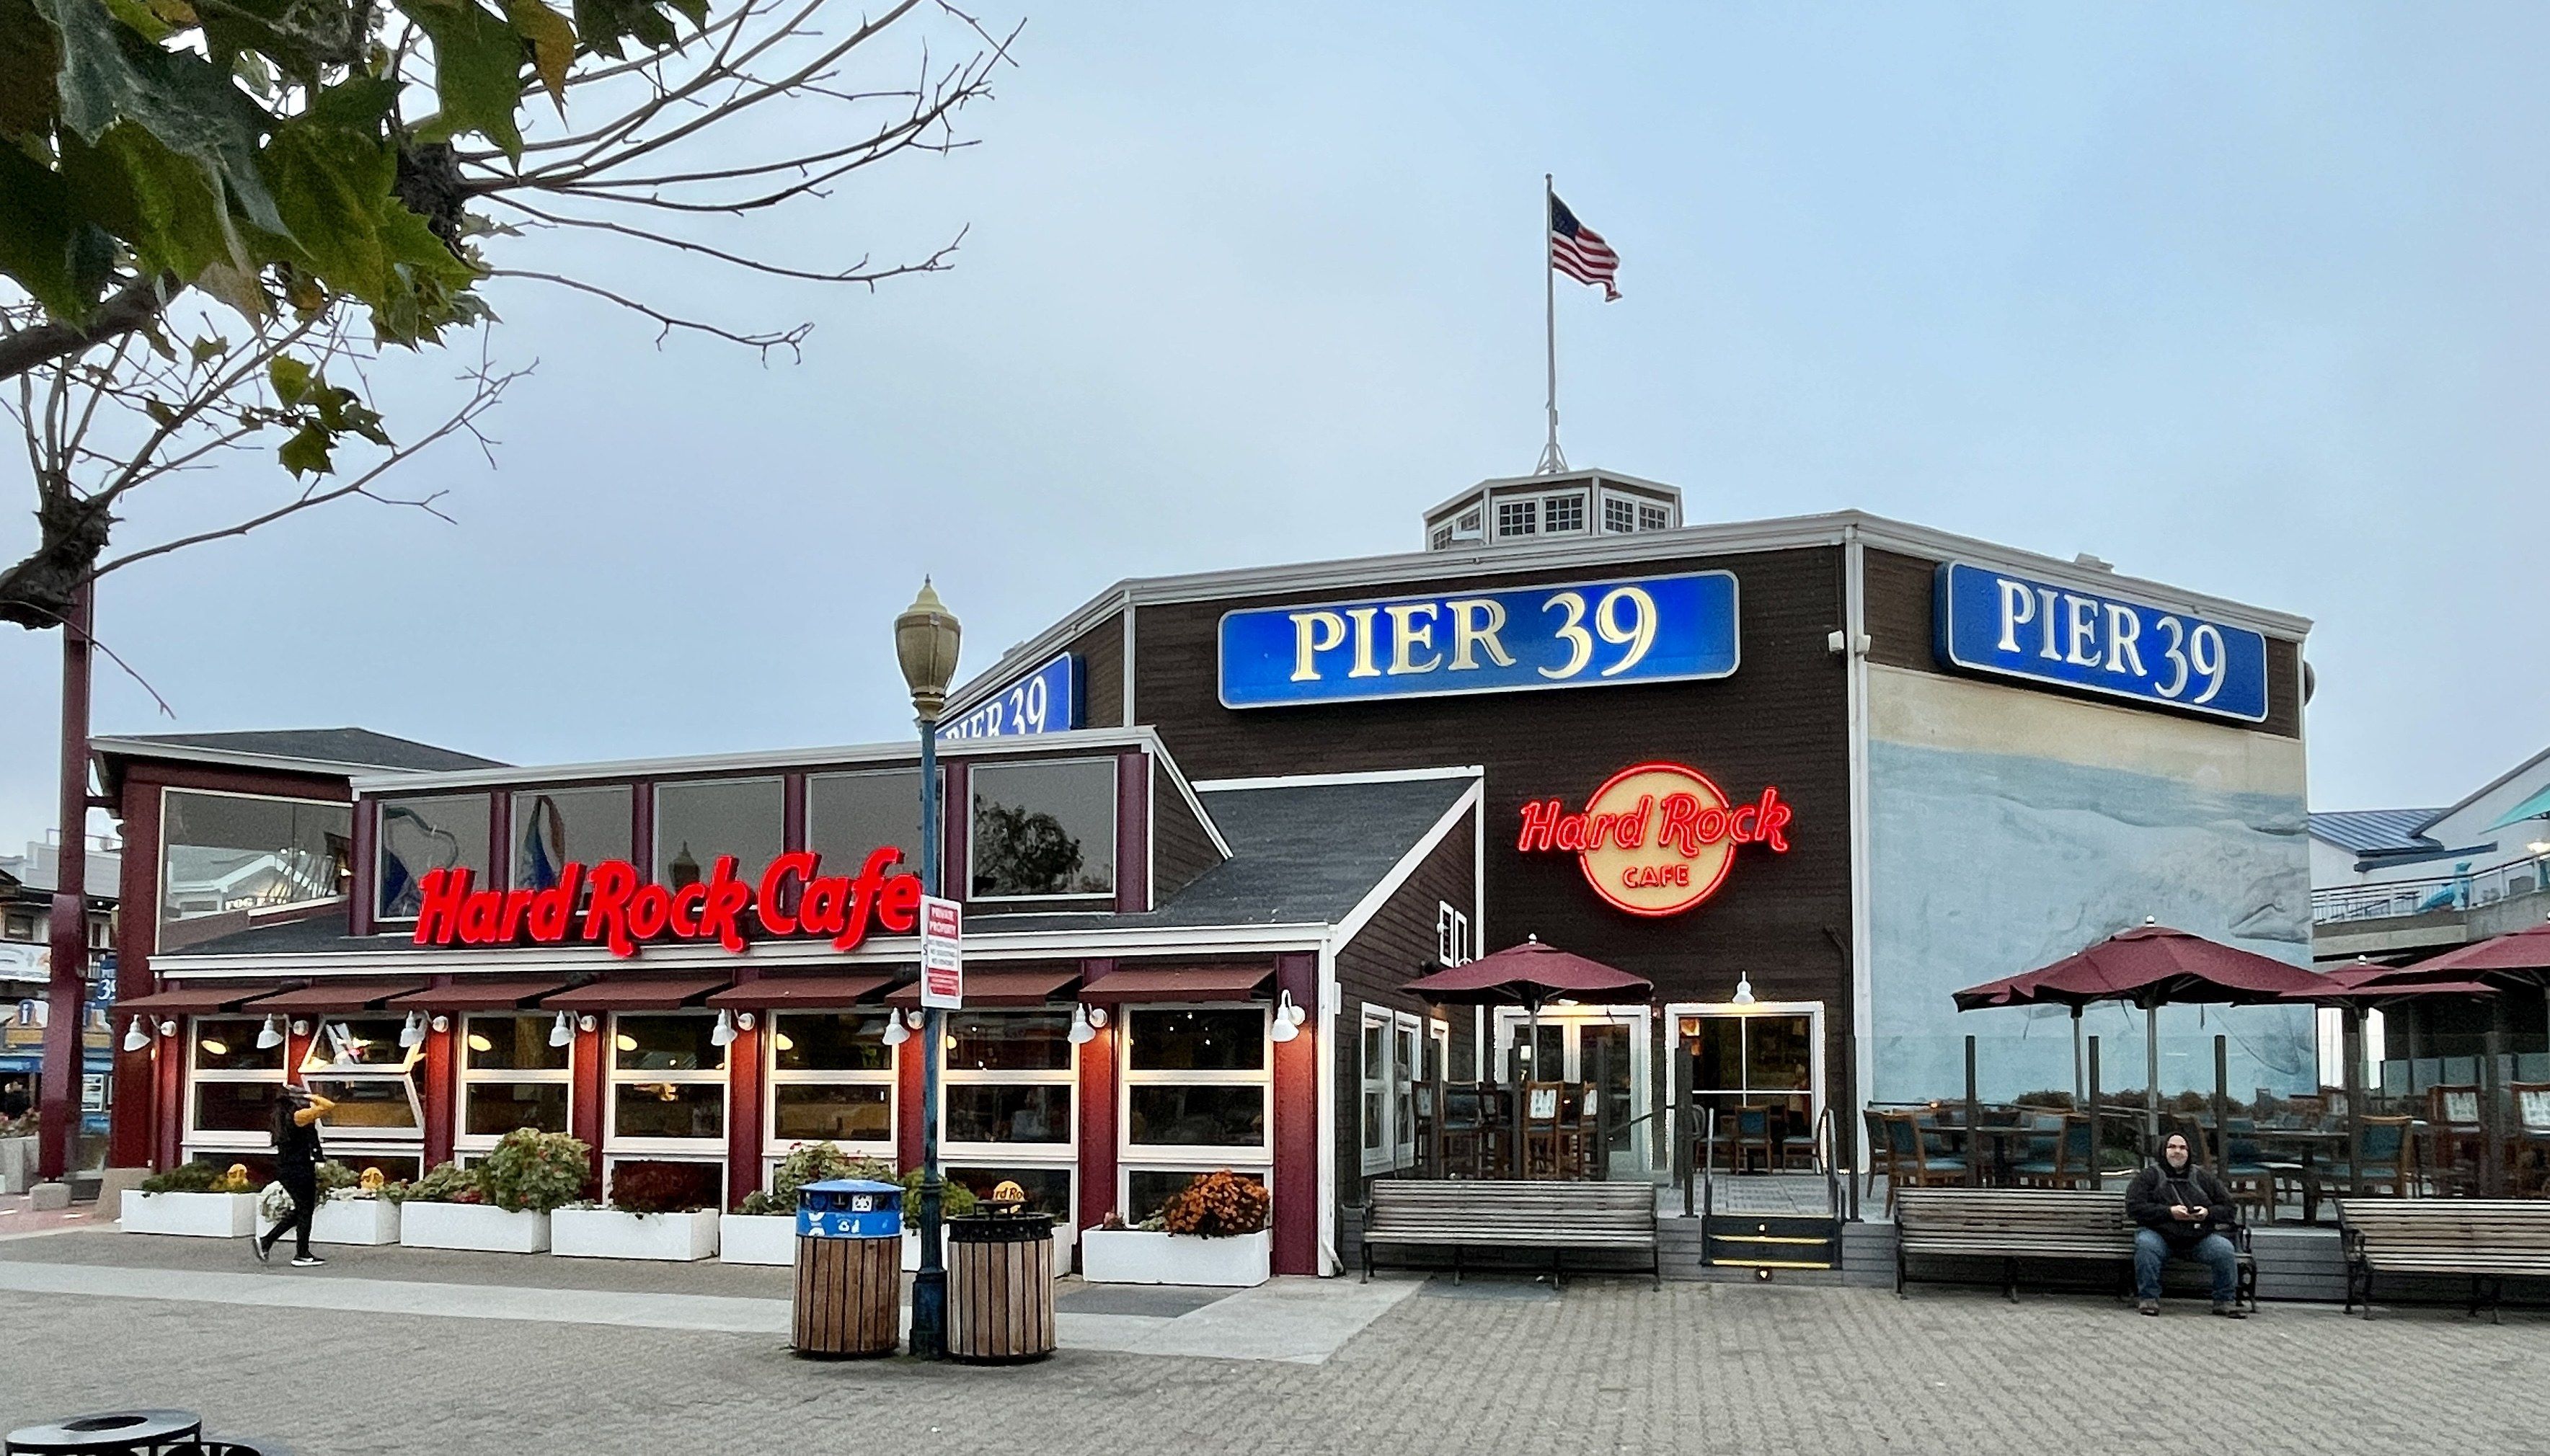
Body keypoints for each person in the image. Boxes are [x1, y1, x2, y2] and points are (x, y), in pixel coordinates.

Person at [2124, 1131, 2245, 1317]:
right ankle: (2148, 1299)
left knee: (2224, 1249)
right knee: (2146, 1244)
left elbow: (2229, 1209)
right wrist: (2169, 1212)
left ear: (2189, 1152)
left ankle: (2225, 1301)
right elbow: (2134, 1208)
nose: (2177, 1151)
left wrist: (2207, 1213)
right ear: (2163, 1151)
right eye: (2172, 1147)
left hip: (2198, 1239)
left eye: (2182, 1148)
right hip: (2160, 1236)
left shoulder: (2203, 1177)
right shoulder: (2148, 1176)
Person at [255, 1083, 335, 1268]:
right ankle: (302, 1254)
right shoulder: (299, 1116)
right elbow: (328, 1105)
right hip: (300, 1169)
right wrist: (308, 1096)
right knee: (305, 1211)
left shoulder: (281, 1116)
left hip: (288, 1169)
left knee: (301, 1210)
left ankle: (267, 1241)